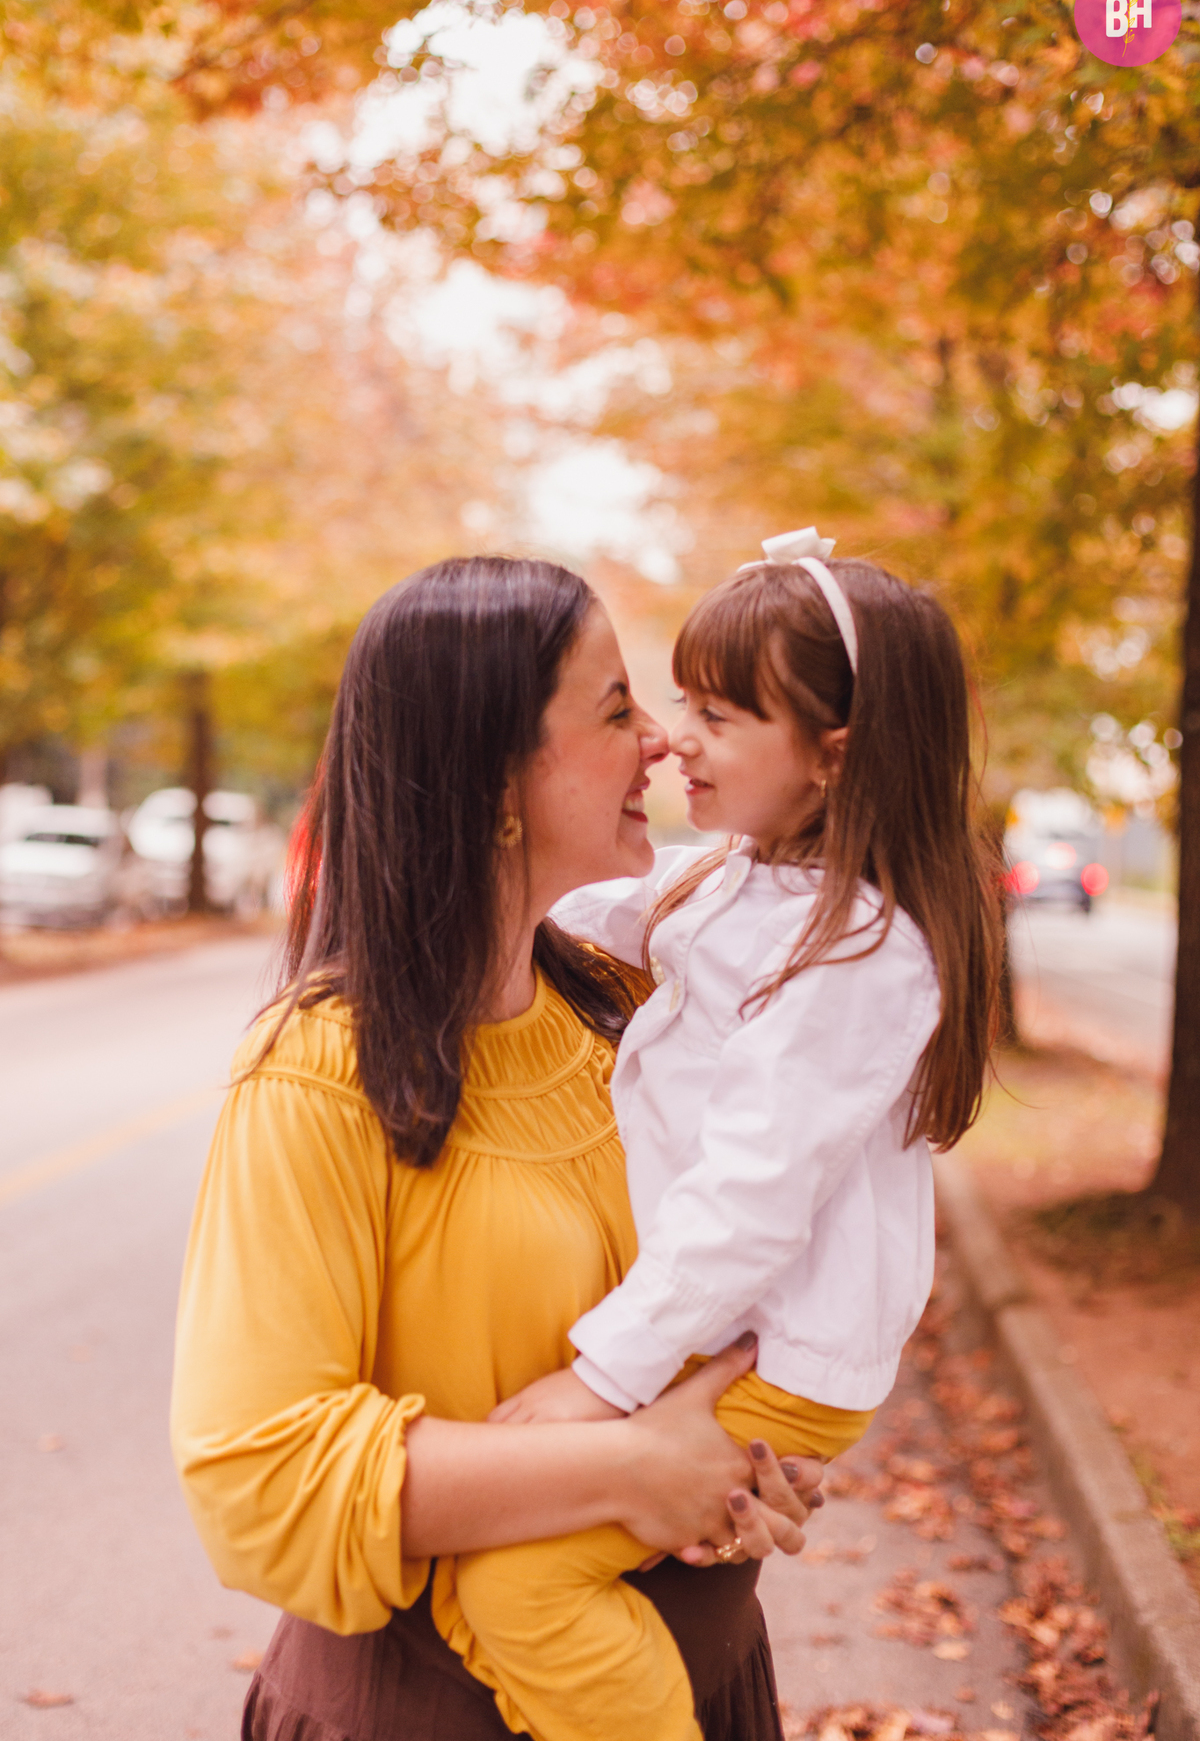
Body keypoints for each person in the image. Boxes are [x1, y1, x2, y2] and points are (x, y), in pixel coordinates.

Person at [169, 554, 822, 1741]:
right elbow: (257, 1478)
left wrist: (745, 1468)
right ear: (493, 779)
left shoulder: (632, 1006)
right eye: (618, 709)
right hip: (439, 1712)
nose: (663, 744)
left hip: (703, 1685)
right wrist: (635, 1470)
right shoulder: (318, 1072)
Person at [431, 531, 1001, 1741]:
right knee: (494, 1592)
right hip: (725, 1333)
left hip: (773, 1355)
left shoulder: (860, 954)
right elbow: (588, 904)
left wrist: (603, 1380)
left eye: (723, 716)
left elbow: (753, 1196)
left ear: (833, 758)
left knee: (516, 1584)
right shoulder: (734, 878)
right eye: (680, 699)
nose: (674, 736)